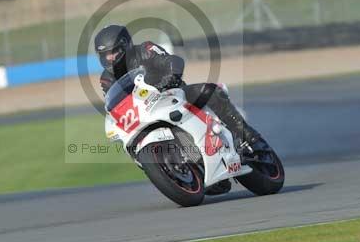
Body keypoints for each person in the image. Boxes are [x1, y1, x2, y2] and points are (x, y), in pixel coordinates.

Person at [94, 24, 267, 151]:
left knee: (211, 91)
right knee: (130, 143)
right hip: (144, 112)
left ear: (125, 46)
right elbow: (114, 104)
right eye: (105, 55)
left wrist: (171, 76)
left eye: (113, 52)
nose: (110, 58)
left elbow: (172, 61)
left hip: (172, 94)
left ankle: (247, 137)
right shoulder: (106, 79)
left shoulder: (146, 49)